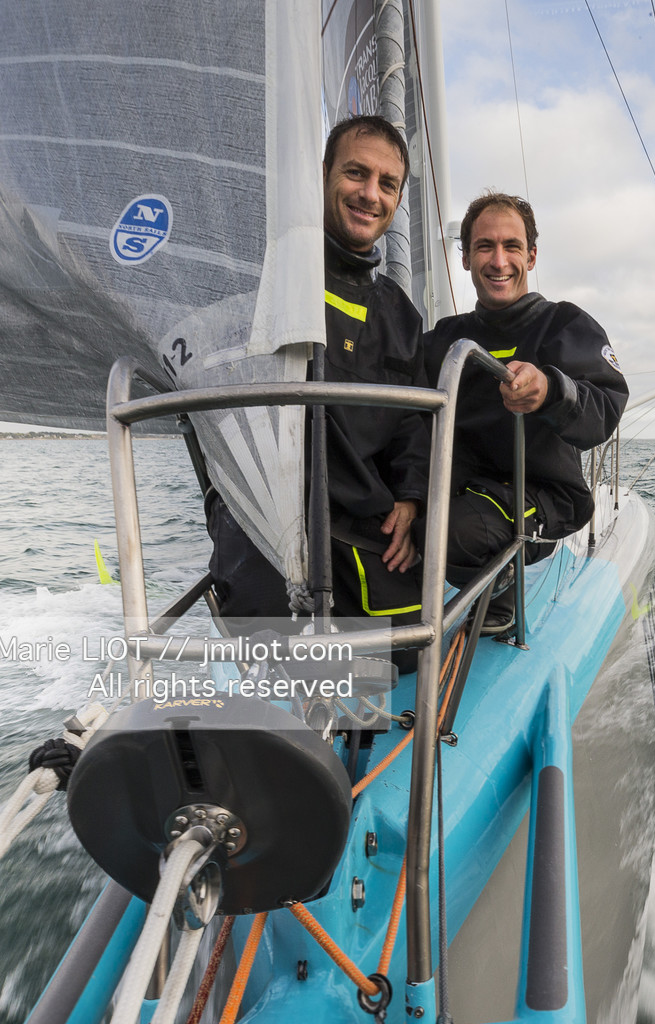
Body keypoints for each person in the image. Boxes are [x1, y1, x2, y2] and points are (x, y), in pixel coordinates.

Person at [207, 115, 428, 648]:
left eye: (387, 183)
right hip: (270, 519)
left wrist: (413, 499)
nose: (370, 194)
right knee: (283, 666)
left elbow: (414, 425)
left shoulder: (400, 315)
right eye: (356, 173)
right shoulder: (267, 277)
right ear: (324, 173)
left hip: (365, 524)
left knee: (394, 660)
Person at [423, 192, 628, 632]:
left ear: (531, 256)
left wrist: (552, 390)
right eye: (484, 246)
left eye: (512, 247)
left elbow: (606, 408)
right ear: (465, 258)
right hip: (462, 487)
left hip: (542, 494)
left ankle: (498, 586)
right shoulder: (442, 338)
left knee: (456, 534)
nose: (499, 261)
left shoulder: (566, 325)